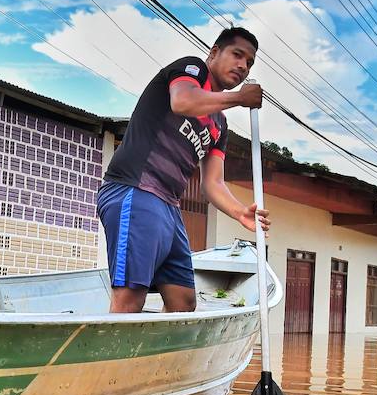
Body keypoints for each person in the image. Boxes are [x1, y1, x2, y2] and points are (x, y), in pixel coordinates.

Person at [99, 27, 270, 313]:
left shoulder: (219, 125)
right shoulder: (191, 69)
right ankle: (107, 359)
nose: (243, 65)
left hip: (169, 207)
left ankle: (157, 357)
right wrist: (240, 98)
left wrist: (240, 212)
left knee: (183, 303)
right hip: (135, 189)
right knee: (130, 296)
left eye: (249, 62)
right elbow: (183, 101)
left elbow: (213, 183)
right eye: (237, 55)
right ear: (214, 53)